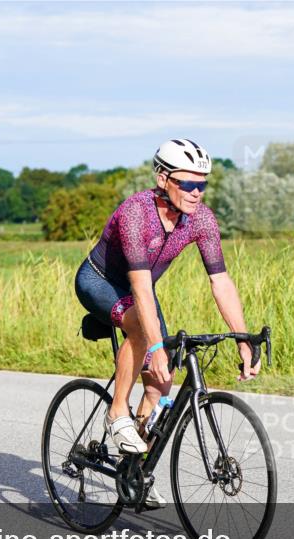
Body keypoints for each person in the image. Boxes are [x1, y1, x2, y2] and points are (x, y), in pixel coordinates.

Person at [74, 139, 261, 508]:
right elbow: (141, 286)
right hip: (100, 282)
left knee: (161, 383)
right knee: (144, 334)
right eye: (188, 183)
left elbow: (220, 280)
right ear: (163, 179)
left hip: (140, 289)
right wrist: (156, 346)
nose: (196, 192)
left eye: (203, 184)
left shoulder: (201, 219)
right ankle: (117, 413)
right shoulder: (135, 214)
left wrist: (243, 339)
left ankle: (135, 469)